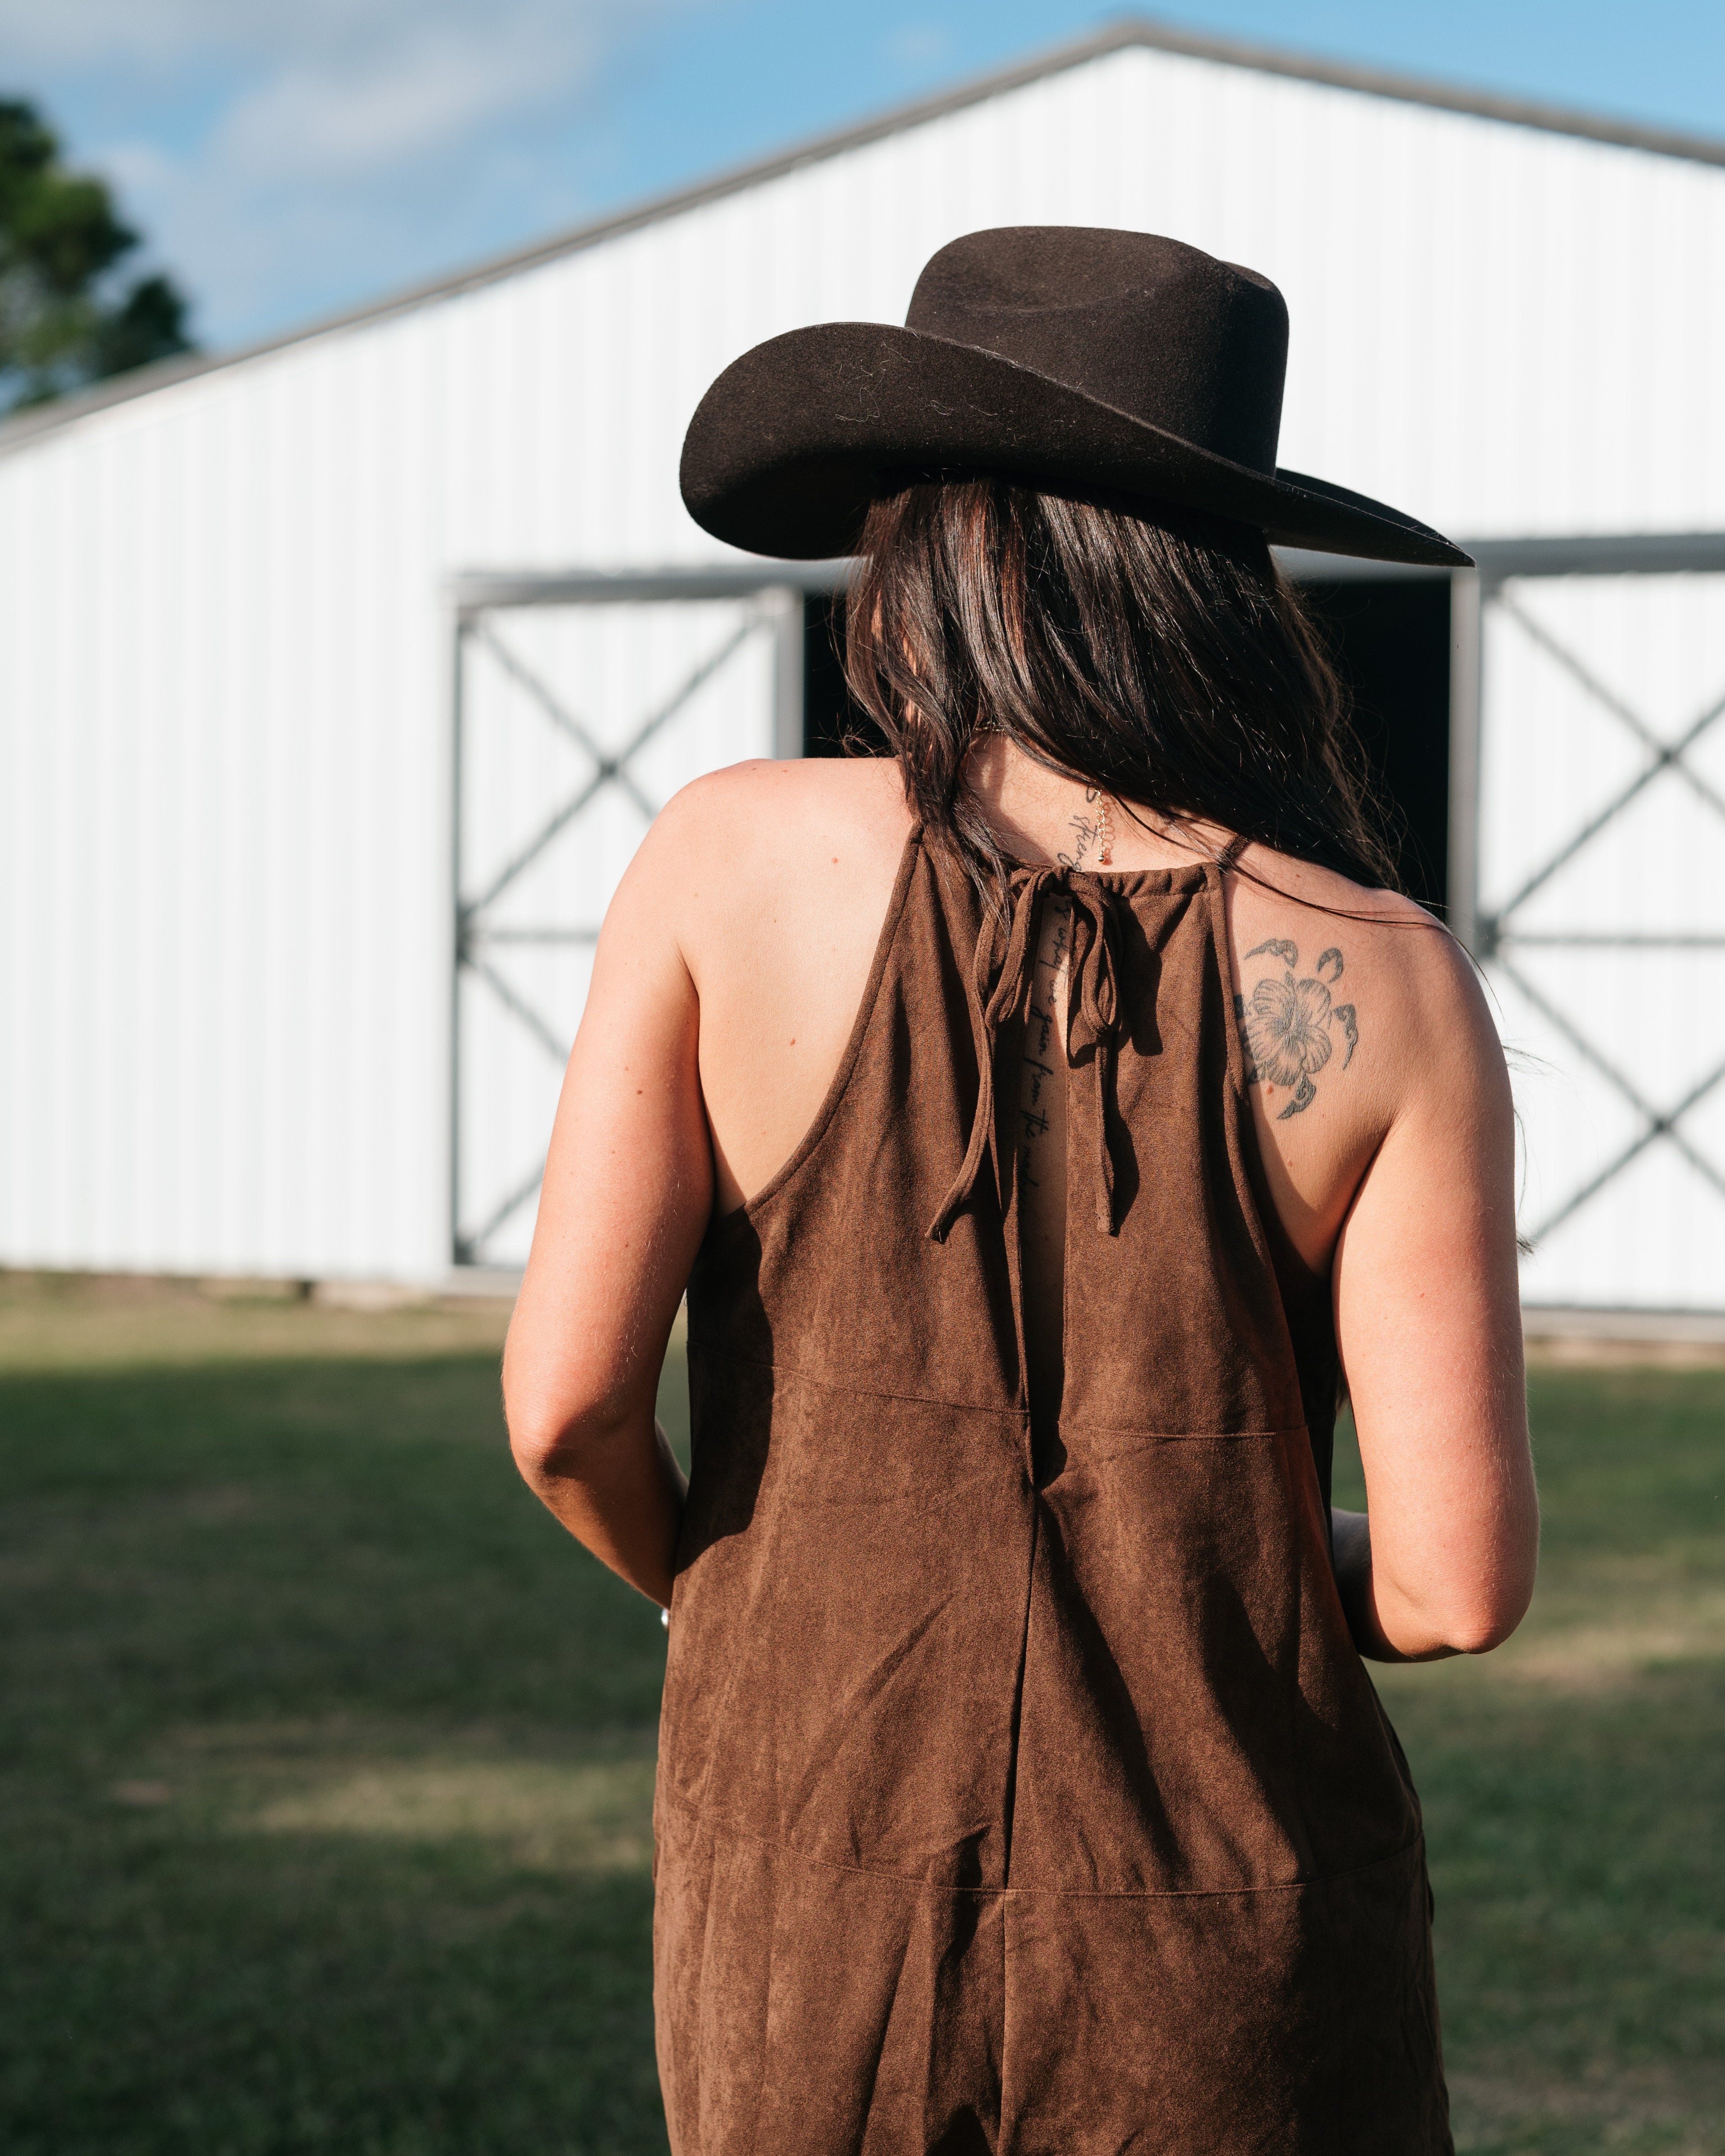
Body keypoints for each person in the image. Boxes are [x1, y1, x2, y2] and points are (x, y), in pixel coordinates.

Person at [503, 228, 1538, 2155]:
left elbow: (565, 1406)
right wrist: (1201, 1535)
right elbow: (1450, 1584)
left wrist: (753, 1587)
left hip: (807, 1909)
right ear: (1215, 579)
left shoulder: (728, 860)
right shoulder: (1383, 973)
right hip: (1231, 1954)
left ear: (944, 545)